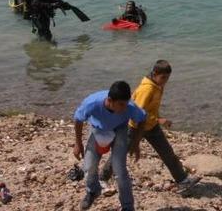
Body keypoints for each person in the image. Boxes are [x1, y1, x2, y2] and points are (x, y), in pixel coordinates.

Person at [101, 61, 201, 192]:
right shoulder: (147, 89)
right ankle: (102, 178)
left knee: (167, 152)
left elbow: (152, 108)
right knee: (120, 153)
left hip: (152, 126)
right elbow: (138, 112)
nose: (165, 81)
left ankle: (182, 179)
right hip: (135, 128)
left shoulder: (157, 86)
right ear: (154, 74)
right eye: (163, 78)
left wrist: (156, 119)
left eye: (167, 78)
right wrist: (159, 119)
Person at [73, 81, 146, 211]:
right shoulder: (92, 103)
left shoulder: (129, 106)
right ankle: (93, 191)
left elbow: (142, 119)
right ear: (110, 100)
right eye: (121, 104)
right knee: (89, 166)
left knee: (120, 171)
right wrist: (78, 144)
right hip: (98, 129)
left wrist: (136, 143)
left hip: (119, 130)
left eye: (126, 103)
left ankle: (128, 206)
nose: (124, 108)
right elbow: (78, 119)